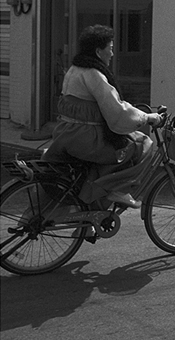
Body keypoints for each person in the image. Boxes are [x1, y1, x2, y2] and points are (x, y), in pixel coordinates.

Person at [43, 24, 163, 210]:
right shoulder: (94, 74)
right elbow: (117, 111)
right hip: (85, 138)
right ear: (98, 51)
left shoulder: (74, 70)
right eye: (111, 48)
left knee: (110, 154)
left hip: (65, 135)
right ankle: (118, 189)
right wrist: (146, 117)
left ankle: (93, 213)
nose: (112, 54)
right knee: (141, 144)